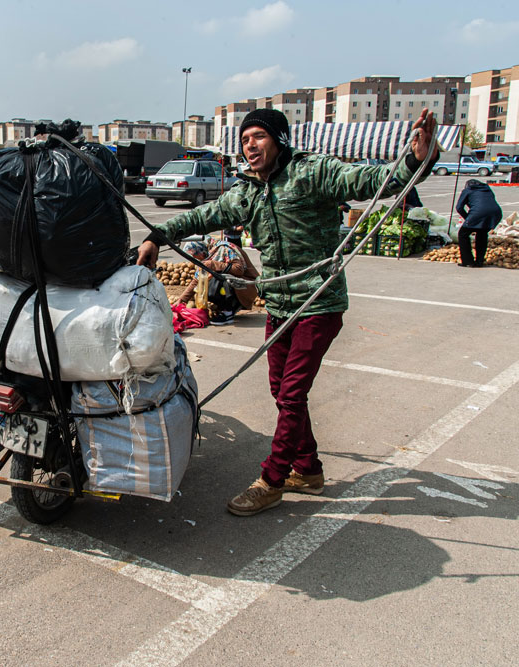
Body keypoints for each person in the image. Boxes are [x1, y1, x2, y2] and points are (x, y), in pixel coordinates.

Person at [137, 108, 438, 516]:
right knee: (282, 391)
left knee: (293, 393)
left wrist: (414, 159)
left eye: (258, 137)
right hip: (279, 305)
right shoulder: (246, 191)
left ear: (278, 139)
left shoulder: (312, 171)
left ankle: (272, 480)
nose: (250, 146)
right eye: (245, 140)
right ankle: (309, 470)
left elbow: (369, 181)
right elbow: (203, 216)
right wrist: (157, 237)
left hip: (318, 302)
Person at [175, 239, 259, 325]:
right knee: (203, 284)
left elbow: (239, 269)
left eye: (195, 255)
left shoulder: (224, 249)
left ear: (201, 251)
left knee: (215, 280)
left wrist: (214, 265)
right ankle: (228, 308)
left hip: (247, 286)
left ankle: (228, 312)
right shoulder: (209, 255)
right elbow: (197, 280)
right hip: (237, 286)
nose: (195, 258)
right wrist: (181, 300)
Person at [455, 179, 502, 267]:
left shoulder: (468, 190)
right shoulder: (487, 189)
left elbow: (459, 207)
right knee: (482, 234)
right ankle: (479, 261)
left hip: (478, 213)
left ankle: (467, 261)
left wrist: (467, 218)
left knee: (463, 234)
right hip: (495, 213)